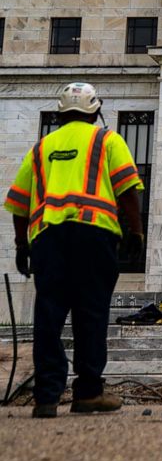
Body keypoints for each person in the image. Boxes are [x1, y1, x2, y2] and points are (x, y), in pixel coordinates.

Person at [4, 83, 145, 418]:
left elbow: (20, 203)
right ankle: (88, 393)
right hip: (93, 238)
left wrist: (21, 245)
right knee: (91, 313)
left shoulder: (41, 148)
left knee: (48, 316)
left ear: (59, 113)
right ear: (95, 111)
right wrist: (136, 231)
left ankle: (46, 398)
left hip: (48, 240)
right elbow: (127, 189)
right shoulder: (107, 140)